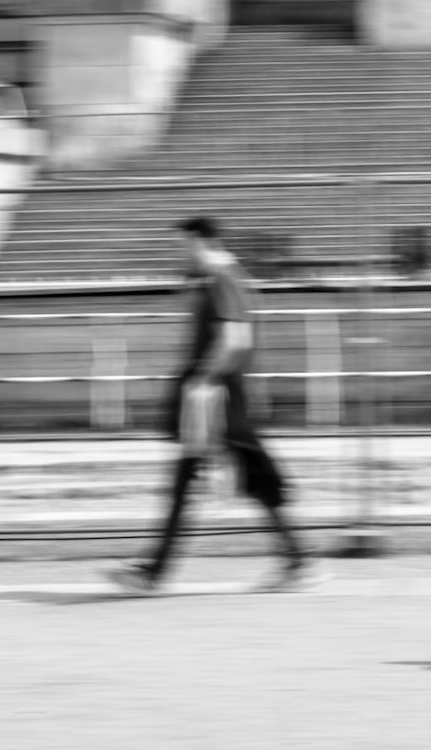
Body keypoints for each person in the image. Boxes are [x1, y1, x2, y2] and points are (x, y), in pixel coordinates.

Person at [108, 216, 310, 595]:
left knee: (197, 484)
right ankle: (297, 560)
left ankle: (152, 573)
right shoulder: (213, 280)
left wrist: (202, 382)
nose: (178, 254)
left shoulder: (223, 278)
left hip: (217, 400)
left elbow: (234, 338)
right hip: (220, 398)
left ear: (202, 243)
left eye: (182, 246)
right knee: (241, 482)